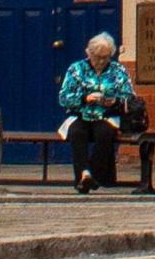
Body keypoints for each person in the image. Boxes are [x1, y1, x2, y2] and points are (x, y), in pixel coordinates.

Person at [58, 32, 140, 194]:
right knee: (76, 133)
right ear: (89, 53)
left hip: (107, 116)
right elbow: (63, 97)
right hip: (80, 115)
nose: (101, 61)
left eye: (106, 57)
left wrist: (113, 100)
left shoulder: (118, 70)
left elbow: (130, 96)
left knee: (105, 133)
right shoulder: (76, 69)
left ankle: (90, 175)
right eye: (97, 57)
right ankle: (84, 174)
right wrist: (85, 98)